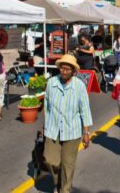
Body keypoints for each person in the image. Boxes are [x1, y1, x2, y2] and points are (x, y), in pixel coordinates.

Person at [44, 54, 93, 193]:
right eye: (62, 68)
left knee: (68, 165)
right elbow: (47, 107)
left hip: (72, 131)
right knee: (50, 161)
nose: (64, 72)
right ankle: (57, 181)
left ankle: (65, 190)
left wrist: (86, 132)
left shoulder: (79, 86)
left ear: (73, 71)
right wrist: (45, 126)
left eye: (67, 69)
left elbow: (85, 110)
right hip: (53, 129)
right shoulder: (51, 83)